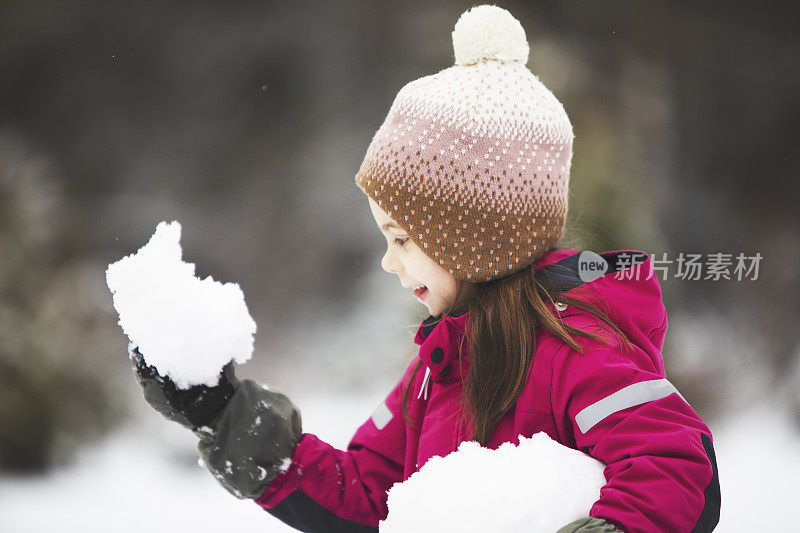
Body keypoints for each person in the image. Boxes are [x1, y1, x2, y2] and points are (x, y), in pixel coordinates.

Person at [131, 5, 719, 532]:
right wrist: (223, 414)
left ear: (478, 237)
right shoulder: (438, 365)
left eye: (403, 237)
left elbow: (674, 463)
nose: (389, 261)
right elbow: (367, 495)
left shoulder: (578, 349)